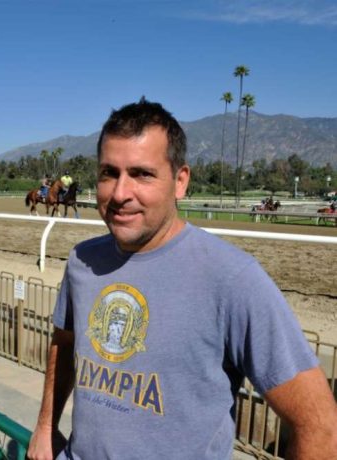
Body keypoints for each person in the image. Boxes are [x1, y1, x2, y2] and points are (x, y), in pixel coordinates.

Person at [27, 99, 337, 460]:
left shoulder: (233, 278)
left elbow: (320, 425)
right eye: (109, 173)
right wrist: (46, 428)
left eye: (142, 174)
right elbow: (64, 342)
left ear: (180, 181)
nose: (120, 193)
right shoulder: (82, 260)